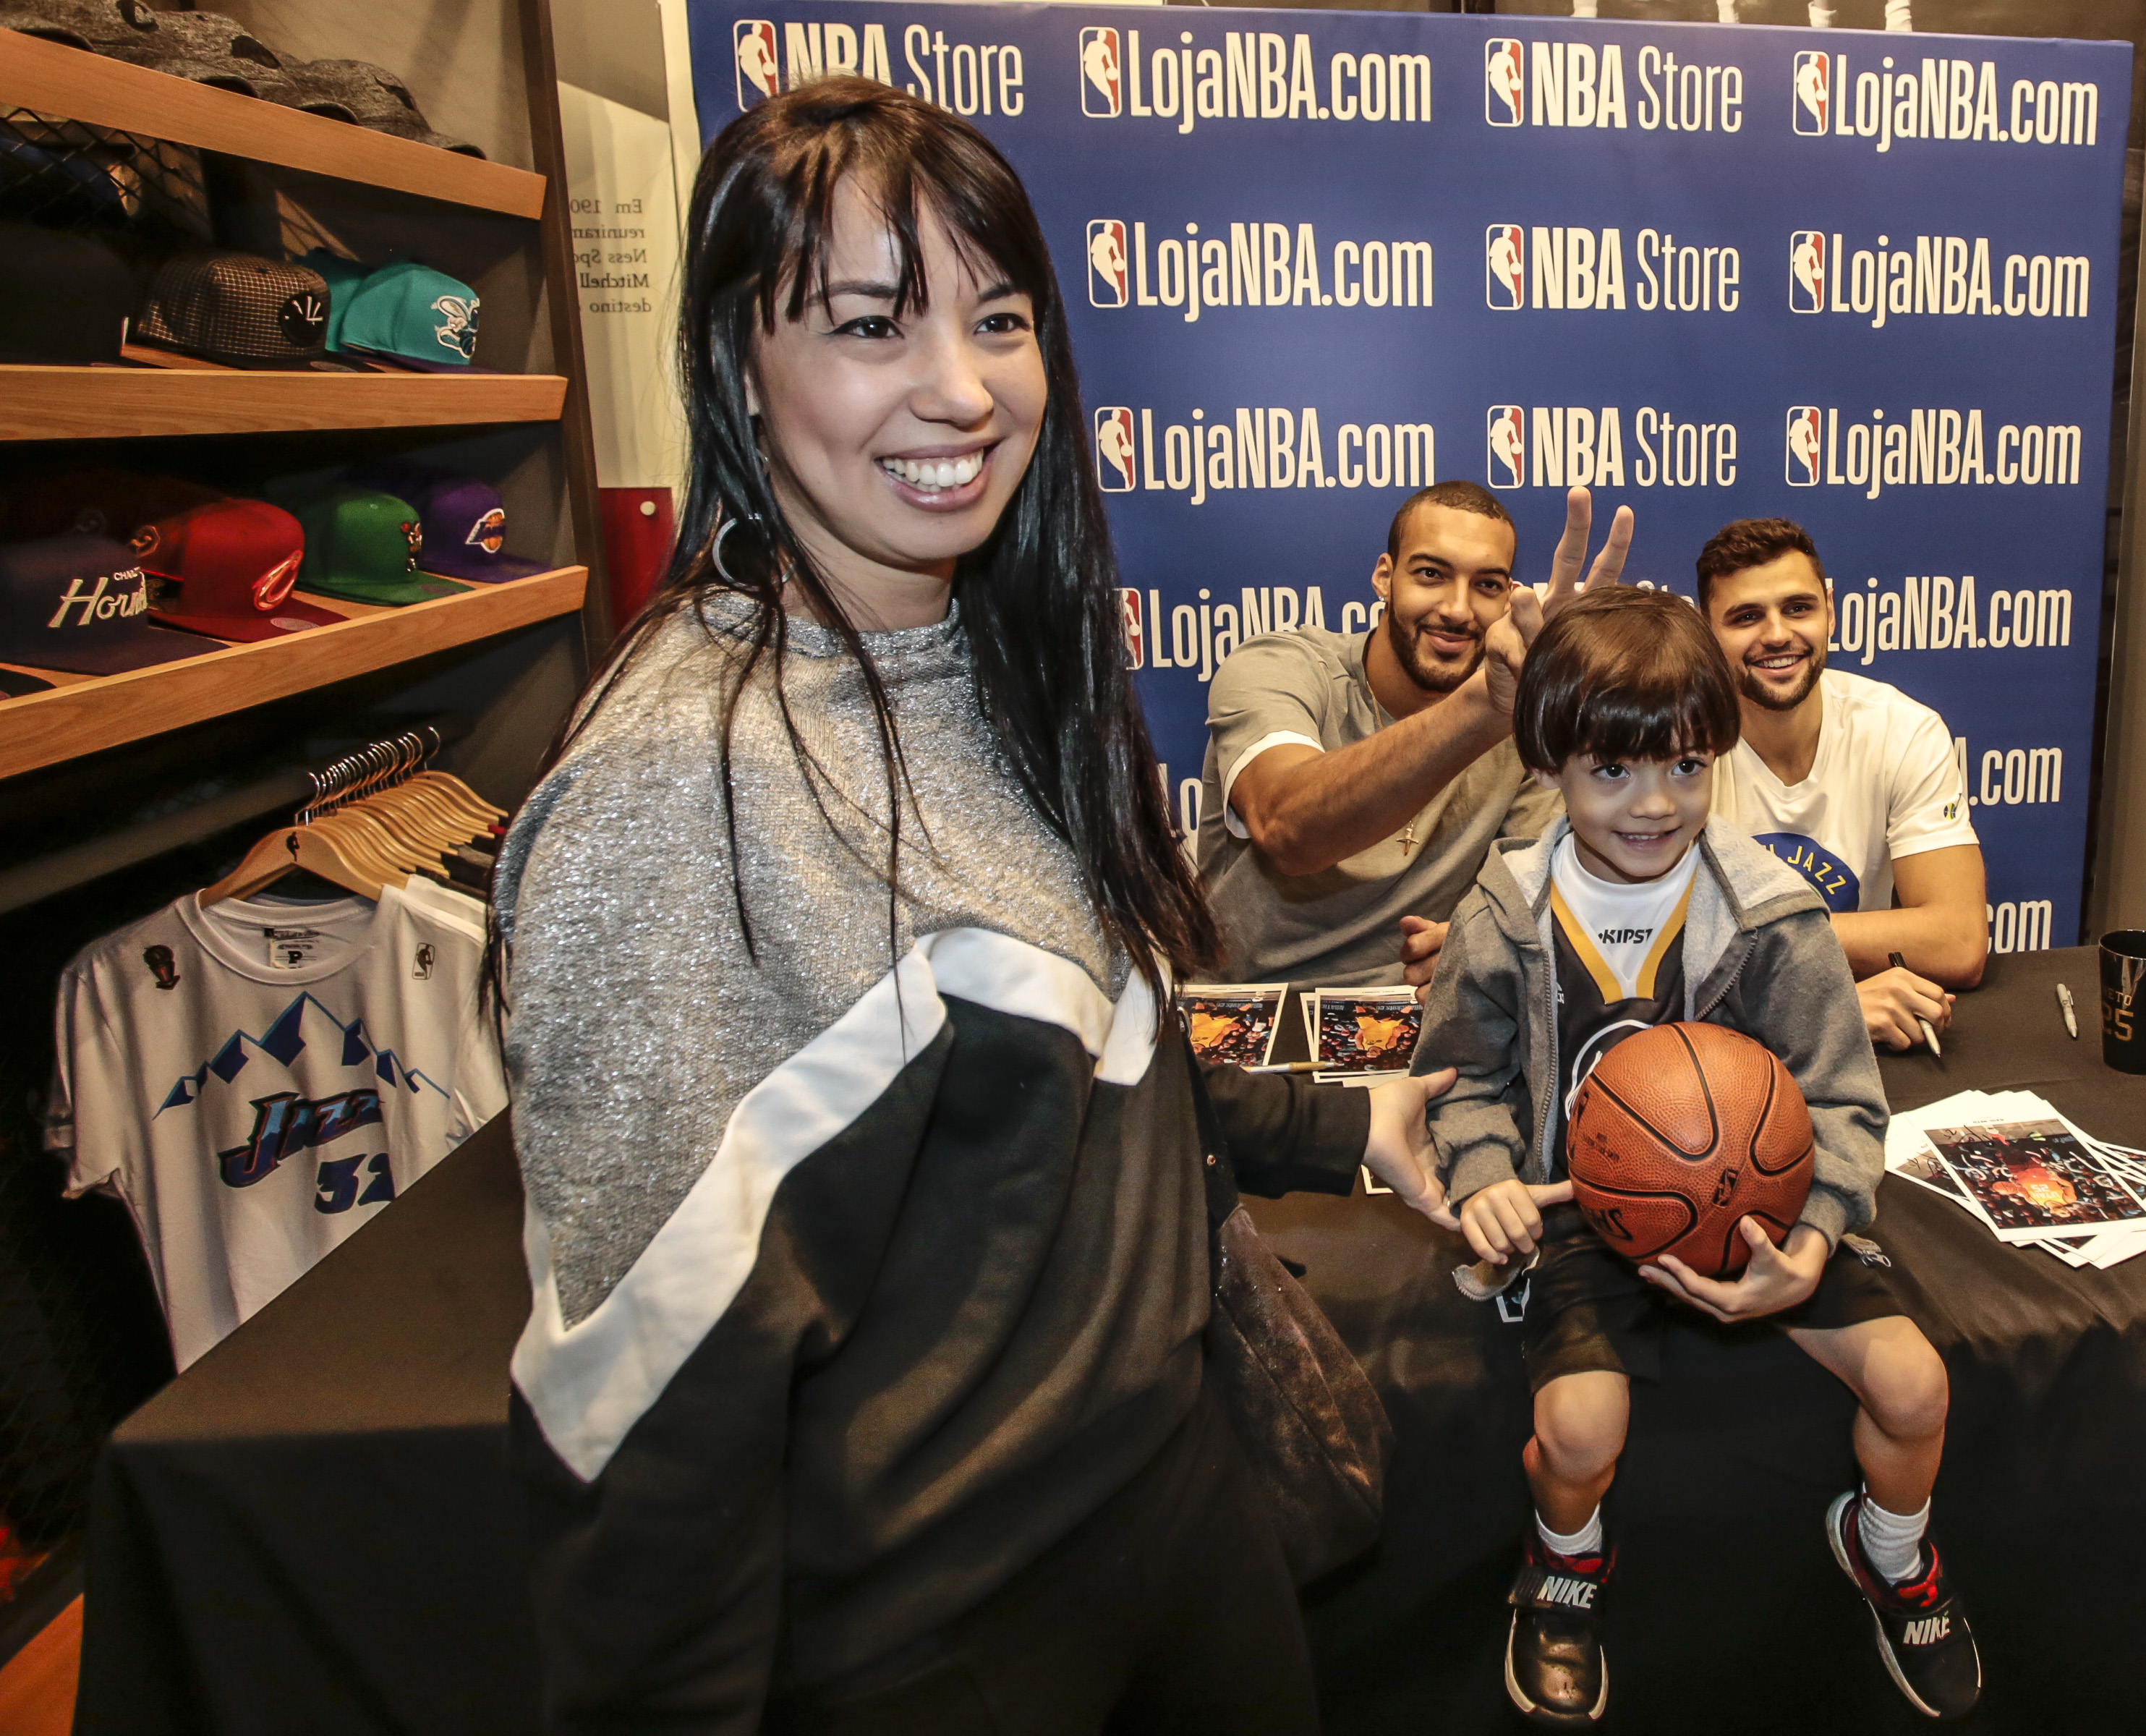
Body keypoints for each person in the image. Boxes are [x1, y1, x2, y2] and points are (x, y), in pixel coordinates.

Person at [492, 80, 1459, 1734]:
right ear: (740, 362)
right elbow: (645, 1412)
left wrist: (1343, 1118)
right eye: (873, 323)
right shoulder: (676, 797)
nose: (962, 388)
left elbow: (1081, 1078)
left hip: (1174, 1512)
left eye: (997, 319)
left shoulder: (995, 654)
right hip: (939, 1633)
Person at [1410, 588, 1980, 1728]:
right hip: (1578, 1211)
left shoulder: (1769, 910)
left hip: (1755, 1206)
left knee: (1917, 1388)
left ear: (1716, 754)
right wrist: (1483, 1178)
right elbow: (1460, 1082)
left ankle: (1891, 1547)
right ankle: (1566, 1558)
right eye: (1610, 772)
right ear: (1550, 766)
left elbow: (1840, 1095)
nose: (1653, 803)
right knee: (1579, 1434)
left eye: (1682, 766)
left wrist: (1812, 1241)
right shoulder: (1506, 913)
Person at [1194, 480, 1630, 988]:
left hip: (1431, 1022)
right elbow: (1288, 830)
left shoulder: (1520, 715)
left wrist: (1485, 939)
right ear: (1385, 577)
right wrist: (1486, 705)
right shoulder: (1281, 666)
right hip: (1249, 1016)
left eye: (1487, 585)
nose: (1458, 610)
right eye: (1431, 574)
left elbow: (1532, 897)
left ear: (1510, 598)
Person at [1698, 517, 1988, 1052]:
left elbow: (1959, 941)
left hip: (1876, 1043)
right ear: (1706, 632)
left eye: (1798, 608)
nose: (1778, 634)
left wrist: (1743, 938)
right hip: (1724, 1044)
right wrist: (1829, 998)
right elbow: (1656, 951)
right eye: (1745, 617)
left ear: (1830, 610)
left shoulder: (1902, 730)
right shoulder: (1678, 746)